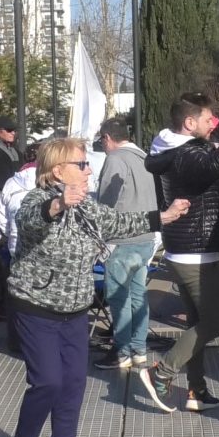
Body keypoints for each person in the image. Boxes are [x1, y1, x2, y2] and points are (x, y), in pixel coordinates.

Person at [8, 138, 188, 437]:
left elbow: (118, 222)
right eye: (82, 164)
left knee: (73, 385)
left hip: (75, 311)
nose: (90, 170)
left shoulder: (87, 208)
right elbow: (31, 220)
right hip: (36, 309)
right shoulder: (35, 199)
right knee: (47, 381)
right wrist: (58, 204)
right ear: (58, 170)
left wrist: (163, 216)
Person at [140, 94, 219, 414]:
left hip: (187, 248)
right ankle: (161, 372)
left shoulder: (176, 150)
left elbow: (213, 160)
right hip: (197, 250)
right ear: (188, 123)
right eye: (209, 120)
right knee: (214, 324)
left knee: (197, 323)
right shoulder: (185, 155)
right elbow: (215, 165)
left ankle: (197, 389)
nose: (214, 124)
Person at [92, 118, 160, 370]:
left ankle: (122, 353)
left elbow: (106, 201)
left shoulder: (115, 159)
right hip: (145, 236)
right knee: (138, 296)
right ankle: (139, 350)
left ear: (107, 138)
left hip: (121, 238)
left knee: (119, 299)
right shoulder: (143, 157)